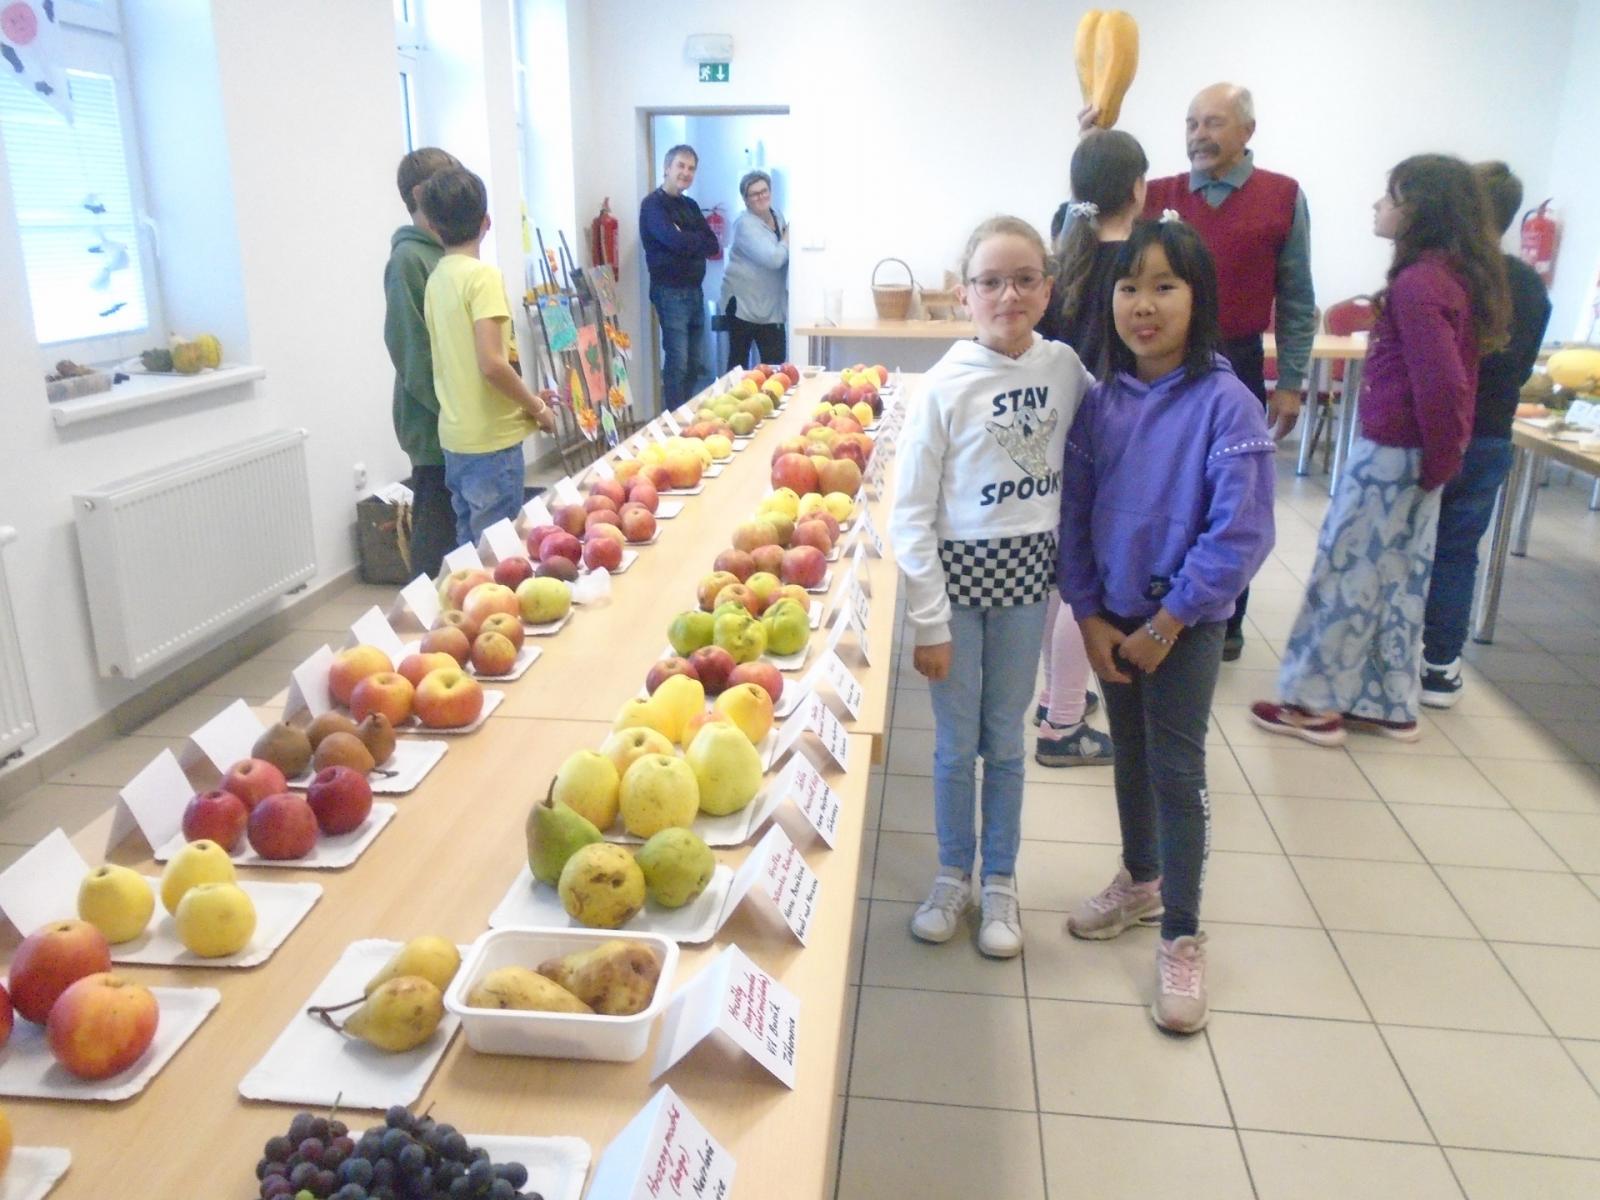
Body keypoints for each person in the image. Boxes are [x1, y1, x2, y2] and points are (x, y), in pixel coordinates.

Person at [1058, 217, 1276, 1033]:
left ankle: (1182, 930)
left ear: (1198, 298)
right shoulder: (1102, 404)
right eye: (1128, 287)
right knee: (1131, 758)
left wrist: (1171, 619)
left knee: (1177, 772)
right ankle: (1140, 880)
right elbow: (1074, 516)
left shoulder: (1228, 404)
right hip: (1114, 618)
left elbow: (1242, 533)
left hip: (1182, 628)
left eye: (1164, 287)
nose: (1142, 305)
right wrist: (1086, 612)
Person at [1252, 155, 1510, 746]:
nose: (1378, 205)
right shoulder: (1449, 275)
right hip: (1421, 457)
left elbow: (1442, 382)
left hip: (1395, 455)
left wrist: (1442, 456)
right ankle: (1387, 700)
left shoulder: (1419, 283)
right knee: (1397, 579)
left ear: (1421, 208)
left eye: (1391, 196)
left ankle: (1314, 703)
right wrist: (1445, 458)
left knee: (1346, 571)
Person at [889, 215, 1092, 959]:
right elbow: (910, 516)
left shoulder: (1065, 369)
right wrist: (930, 621)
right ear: (962, 293)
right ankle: (952, 874)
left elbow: (1111, 440)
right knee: (953, 745)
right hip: (956, 591)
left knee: (1005, 742)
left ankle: (999, 878)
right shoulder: (944, 386)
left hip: (1025, 590)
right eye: (990, 281)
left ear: (1048, 287)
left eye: (1025, 279)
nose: (1009, 294)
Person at [1132, 83, 1316, 661]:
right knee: (1160, 485)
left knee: (1230, 493)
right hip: (1157, 362)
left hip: (1235, 360)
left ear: (1247, 131)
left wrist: (1289, 381)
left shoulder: (1282, 196)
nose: (1198, 135)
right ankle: (1149, 600)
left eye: (1213, 123)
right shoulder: (1156, 194)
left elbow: (1296, 295)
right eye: (1191, 123)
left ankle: (1222, 619)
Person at [1031, 128, 1151, 767]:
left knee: (1063, 574)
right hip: (1118, 438)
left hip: (1060, 435)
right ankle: (1062, 724)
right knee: (1090, 586)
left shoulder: (1062, 261)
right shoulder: (1143, 260)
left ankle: (1056, 697)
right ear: (1139, 189)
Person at [1420, 162, 1551, 707]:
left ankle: (1378, 652)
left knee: (1404, 545)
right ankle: (1440, 666)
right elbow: (1520, 369)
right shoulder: (1527, 285)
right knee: (1457, 551)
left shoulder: (1439, 275)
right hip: (1492, 433)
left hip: (1432, 434)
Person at [419, 167, 556, 545]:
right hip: (491, 445)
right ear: (487, 222)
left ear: (431, 226)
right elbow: (492, 364)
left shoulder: (436, 279)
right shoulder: (482, 278)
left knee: (471, 553)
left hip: (456, 438)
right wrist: (537, 408)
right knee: (499, 556)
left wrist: (526, 405)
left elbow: (463, 361)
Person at [383, 146, 460, 579]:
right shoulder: (408, 260)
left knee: (461, 531)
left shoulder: (445, 254)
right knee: (437, 524)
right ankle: (426, 617)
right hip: (433, 422)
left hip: (461, 416)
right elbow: (412, 349)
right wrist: (452, 406)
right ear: (420, 194)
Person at [640, 144, 720, 409]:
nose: (686, 173)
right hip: (669, 293)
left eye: (691, 168)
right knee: (678, 361)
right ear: (666, 168)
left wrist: (685, 238)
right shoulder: (653, 205)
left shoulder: (691, 205)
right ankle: (674, 421)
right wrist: (688, 238)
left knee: (695, 362)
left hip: (695, 292)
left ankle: (689, 416)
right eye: (681, 166)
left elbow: (712, 245)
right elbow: (672, 240)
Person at [719, 170, 789, 371]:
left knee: (776, 367)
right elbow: (774, 259)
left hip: (771, 307)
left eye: (764, 191)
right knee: (738, 368)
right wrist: (788, 237)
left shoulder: (778, 216)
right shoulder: (744, 224)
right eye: (754, 194)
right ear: (746, 200)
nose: (761, 197)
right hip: (742, 306)